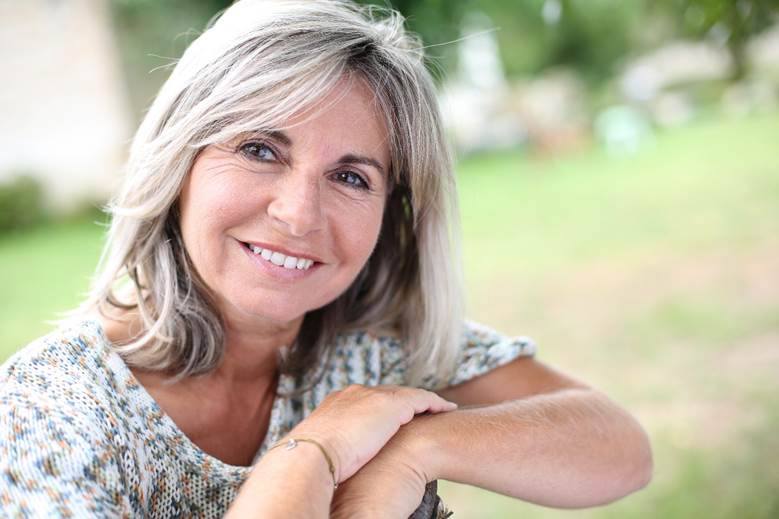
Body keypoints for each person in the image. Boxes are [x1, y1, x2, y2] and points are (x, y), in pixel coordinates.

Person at [0, 1, 653, 517]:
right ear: (179, 163)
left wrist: (413, 447)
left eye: (350, 177)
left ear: (391, 218)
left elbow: (617, 446)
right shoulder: (54, 406)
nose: (298, 213)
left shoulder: (369, 350)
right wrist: (312, 451)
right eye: (259, 149)